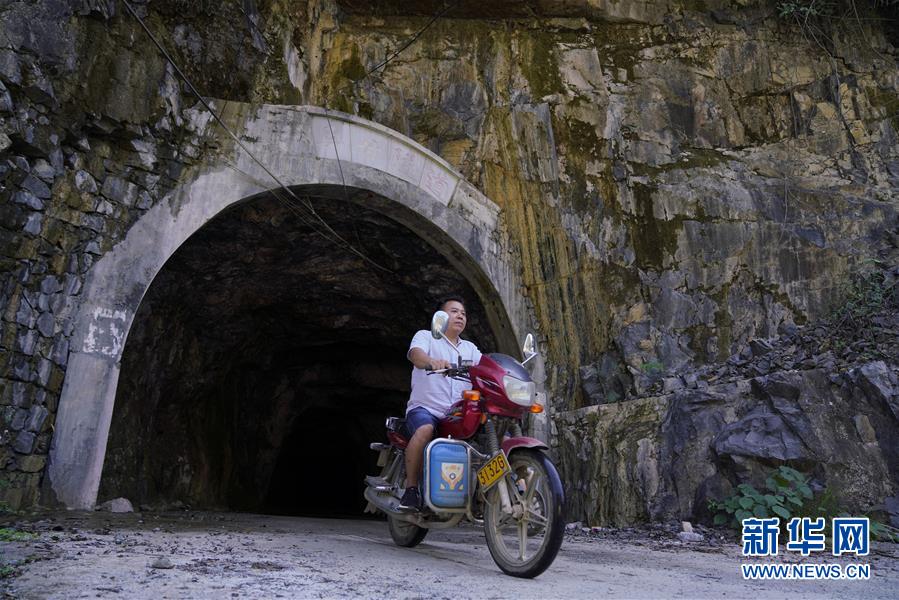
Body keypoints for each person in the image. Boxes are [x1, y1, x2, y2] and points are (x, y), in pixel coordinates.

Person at [398, 295, 481, 511]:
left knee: (496, 431)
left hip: (457, 413)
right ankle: (411, 490)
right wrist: (430, 361)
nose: (460, 316)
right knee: (425, 429)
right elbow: (415, 354)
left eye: (463, 313)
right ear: (440, 316)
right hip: (427, 409)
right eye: (454, 311)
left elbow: (487, 367)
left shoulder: (470, 349)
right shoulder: (426, 337)